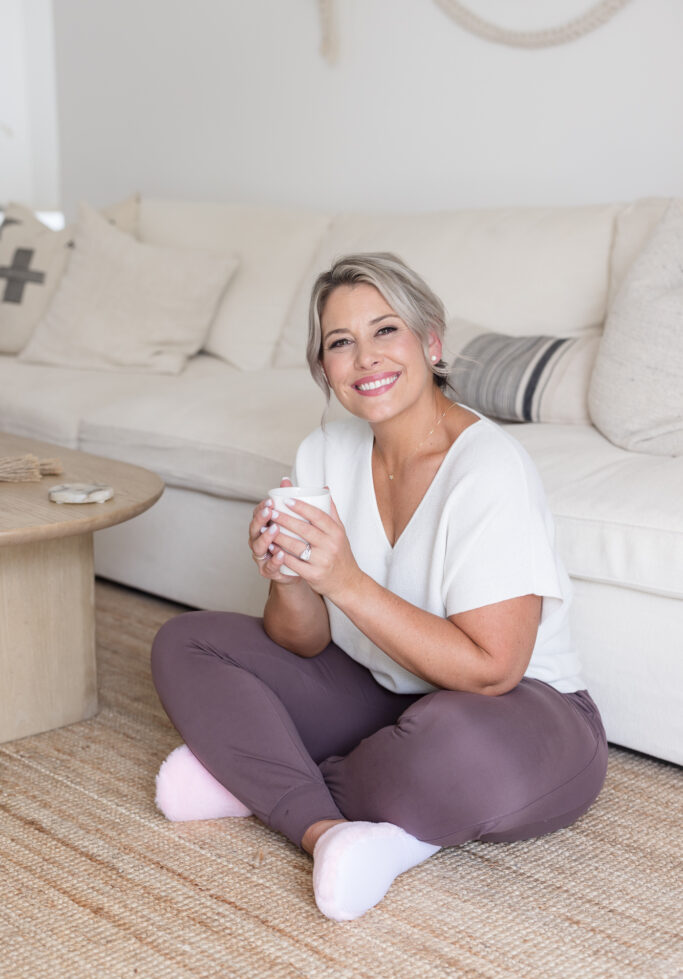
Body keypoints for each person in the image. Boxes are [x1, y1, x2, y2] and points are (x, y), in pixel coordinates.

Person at [151, 252, 608, 922]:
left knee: (455, 748)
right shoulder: (323, 453)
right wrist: (290, 577)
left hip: (519, 714)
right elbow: (299, 643)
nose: (365, 358)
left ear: (430, 342)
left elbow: (490, 670)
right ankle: (323, 828)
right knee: (187, 642)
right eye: (340, 342)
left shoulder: (488, 470)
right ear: (323, 367)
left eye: (384, 331)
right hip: (380, 694)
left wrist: (345, 579)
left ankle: (258, 775)